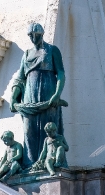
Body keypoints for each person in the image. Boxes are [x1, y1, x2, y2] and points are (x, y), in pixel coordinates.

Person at [10, 23, 67, 169]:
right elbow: (20, 78)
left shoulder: (52, 50)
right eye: (30, 35)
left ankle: (47, 162)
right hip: (30, 97)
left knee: (48, 129)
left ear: (42, 35)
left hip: (48, 95)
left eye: (36, 35)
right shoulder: (26, 54)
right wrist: (14, 97)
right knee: (29, 131)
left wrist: (57, 94)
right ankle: (30, 166)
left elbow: (60, 73)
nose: (33, 38)